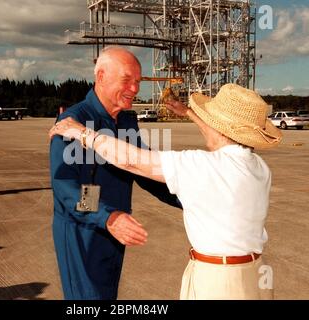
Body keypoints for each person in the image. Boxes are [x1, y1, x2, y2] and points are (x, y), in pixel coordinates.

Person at [50, 83, 283, 300]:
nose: (133, 87)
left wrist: (82, 133)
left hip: (219, 281)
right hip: (257, 276)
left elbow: (131, 161)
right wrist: (190, 114)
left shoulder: (202, 166)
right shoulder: (260, 168)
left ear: (220, 129)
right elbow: (67, 189)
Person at [49, 46, 180, 300]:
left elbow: (145, 170)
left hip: (116, 226)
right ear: (101, 77)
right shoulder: (72, 122)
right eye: (127, 80)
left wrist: (188, 197)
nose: (135, 89)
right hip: (82, 230)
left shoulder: (126, 121)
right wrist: (107, 217)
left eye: (138, 82)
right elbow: (66, 187)